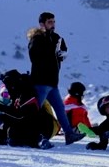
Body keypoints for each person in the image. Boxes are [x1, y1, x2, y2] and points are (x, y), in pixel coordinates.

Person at [27, 12, 84, 144]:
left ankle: (69, 134)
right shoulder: (37, 38)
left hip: (52, 82)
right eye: (49, 22)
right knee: (34, 110)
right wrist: (52, 51)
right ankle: (29, 134)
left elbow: (62, 52)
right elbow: (35, 57)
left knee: (60, 109)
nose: (53, 25)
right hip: (41, 81)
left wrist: (62, 53)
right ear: (42, 24)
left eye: (53, 22)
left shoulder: (56, 38)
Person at [0, 70, 53, 149]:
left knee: (13, 133)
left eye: (8, 86)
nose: (8, 90)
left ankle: (39, 140)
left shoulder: (27, 93)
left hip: (41, 126)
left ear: (13, 84)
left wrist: (1, 111)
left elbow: (20, 115)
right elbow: (14, 112)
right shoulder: (18, 93)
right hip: (26, 123)